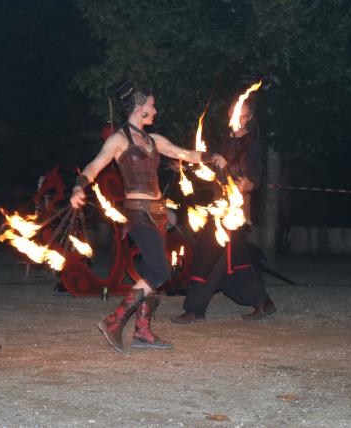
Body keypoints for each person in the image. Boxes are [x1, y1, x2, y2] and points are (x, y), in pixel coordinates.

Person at [70, 81, 226, 352]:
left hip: (158, 214)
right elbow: (95, 166)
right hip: (138, 214)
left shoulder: (155, 141)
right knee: (160, 271)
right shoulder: (119, 140)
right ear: (140, 107)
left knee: (151, 271)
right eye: (152, 105)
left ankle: (143, 332)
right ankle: (115, 320)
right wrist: (78, 186)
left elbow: (185, 154)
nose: (155, 111)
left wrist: (213, 156)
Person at [171, 99, 276, 324]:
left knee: (207, 254)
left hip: (234, 212)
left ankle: (194, 309)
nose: (234, 116)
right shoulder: (226, 142)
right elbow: (211, 169)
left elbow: (255, 175)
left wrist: (250, 184)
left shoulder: (251, 144)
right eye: (232, 111)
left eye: (241, 114)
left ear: (248, 118)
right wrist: (185, 167)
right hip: (219, 208)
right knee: (232, 261)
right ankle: (262, 302)